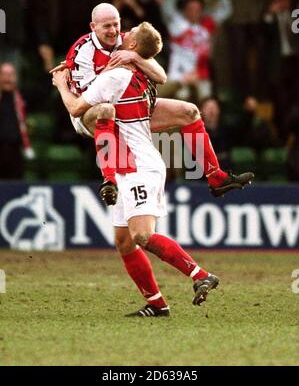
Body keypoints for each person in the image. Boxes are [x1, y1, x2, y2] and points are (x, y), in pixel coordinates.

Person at [52, 22, 219, 317]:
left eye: (126, 32)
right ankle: (156, 304)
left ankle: (199, 275)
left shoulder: (117, 74)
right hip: (128, 165)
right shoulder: (138, 68)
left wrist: (63, 86)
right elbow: (158, 70)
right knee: (124, 240)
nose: (121, 33)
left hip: (139, 165)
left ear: (130, 47)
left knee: (142, 235)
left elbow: (77, 107)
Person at [50, 3, 254, 203]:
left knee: (189, 111)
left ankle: (216, 177)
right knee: (106, 109)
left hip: (127, 107)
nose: (114, 31)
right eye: (107, 26)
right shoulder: (82, 52)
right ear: (93, 27)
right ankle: (109, 180)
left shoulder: (127, 42)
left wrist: (135, 57)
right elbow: (84, 102)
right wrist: (65, 84)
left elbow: (161, 76)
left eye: (116, 24)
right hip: (90, 113)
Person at [0, 62, 33, 179]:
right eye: (4, 74)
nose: (7, 78)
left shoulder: (22, 96)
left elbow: (43, 90)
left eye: (11, 74)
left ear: (16, 77)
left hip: (16, 150)